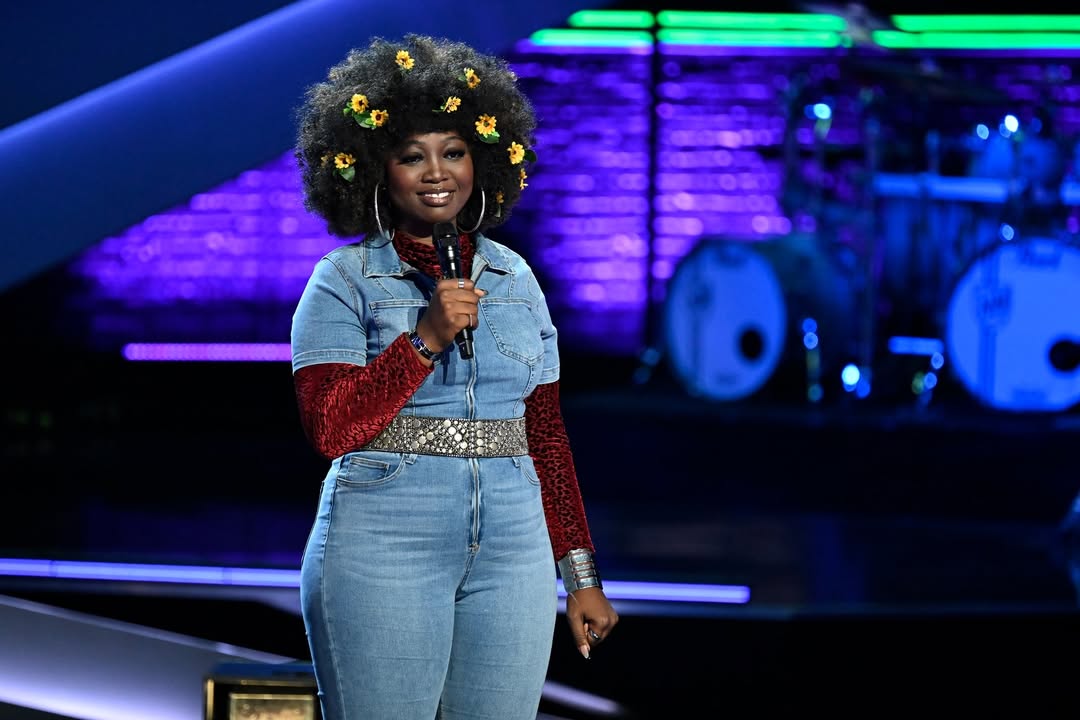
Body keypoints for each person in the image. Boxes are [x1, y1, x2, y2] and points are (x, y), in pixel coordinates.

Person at [288, 33, 620, 720]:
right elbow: (331, 428)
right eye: (412, 155)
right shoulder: (342, 281)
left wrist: (580, 573)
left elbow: (546, 436)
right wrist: (424, 340)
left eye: (454, 152)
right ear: (376, 169)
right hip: (382, 541)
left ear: (483, 161)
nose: (437, 172)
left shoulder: (515, 277)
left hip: (514, 548)